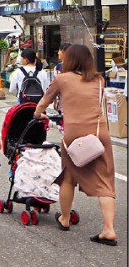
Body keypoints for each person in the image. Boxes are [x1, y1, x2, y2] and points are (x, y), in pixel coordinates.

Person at [33, 43, 117, 245]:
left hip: (74, 135)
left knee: (68, 176)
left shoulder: (62, 79)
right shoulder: (99, 79)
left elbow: (44, 102)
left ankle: (65, 218)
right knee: (105, 181)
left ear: (68, 60)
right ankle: (109, 229)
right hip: (99, 133)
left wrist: (38, 114)